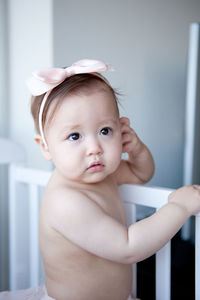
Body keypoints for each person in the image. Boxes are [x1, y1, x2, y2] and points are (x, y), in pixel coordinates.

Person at [18, 59, 200, 300]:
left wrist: (137, 150)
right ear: (45, 146)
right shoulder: (65, 201)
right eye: (75, 136)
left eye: (105, 131)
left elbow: (141, 173)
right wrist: (179, 207)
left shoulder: (105, 174)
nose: (95, 148)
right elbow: (127, 247)